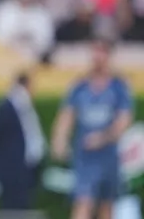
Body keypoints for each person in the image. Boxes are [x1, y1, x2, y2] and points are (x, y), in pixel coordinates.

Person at [51, 38, 134, 219]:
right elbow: (67, 115)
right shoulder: (80, 87)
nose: (97, 57)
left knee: (106, 205)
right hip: (85, 156)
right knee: (83, 201)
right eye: (95, 52)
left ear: (109, 56)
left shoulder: (118, 87)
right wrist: (60, 140)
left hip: (108, 155)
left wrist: (104, 137)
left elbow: (124, 119)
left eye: (102, 52)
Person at [0, 73, 45, 212]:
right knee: (13, 207)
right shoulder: (7, 107)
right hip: (12, 168)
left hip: (25, 167)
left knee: (22, 206)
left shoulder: (25, 107)